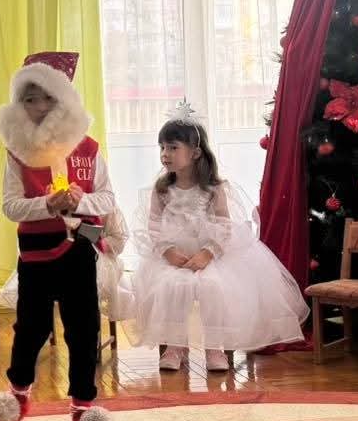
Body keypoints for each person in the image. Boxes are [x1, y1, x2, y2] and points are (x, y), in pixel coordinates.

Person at [0, 51, 118, 421]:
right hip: (36, 257)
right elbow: (10, 207)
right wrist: (47, 205)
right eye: (30, 99)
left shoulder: (89, 148)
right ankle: (18, 394)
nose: (39, 107)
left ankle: (83, 407)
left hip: (79, 253)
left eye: (47, 98)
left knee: (84, 328)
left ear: (64, 101)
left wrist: (80, 201)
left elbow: (107, 198)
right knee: (31, 328)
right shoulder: (16, 153)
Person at [124, 102, 307, 371]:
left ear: (195, 152)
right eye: (162, 147)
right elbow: (152, 225)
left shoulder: (214, 188)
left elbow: (223, 225)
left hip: (211, 257)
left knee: (213, 287)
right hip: (174, 257)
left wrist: (207, 253)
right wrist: (167, 251)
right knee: (171, 287)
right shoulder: (161, 189)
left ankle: (215, 348)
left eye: (173, 147)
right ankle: (175, 347)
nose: (165, 154)